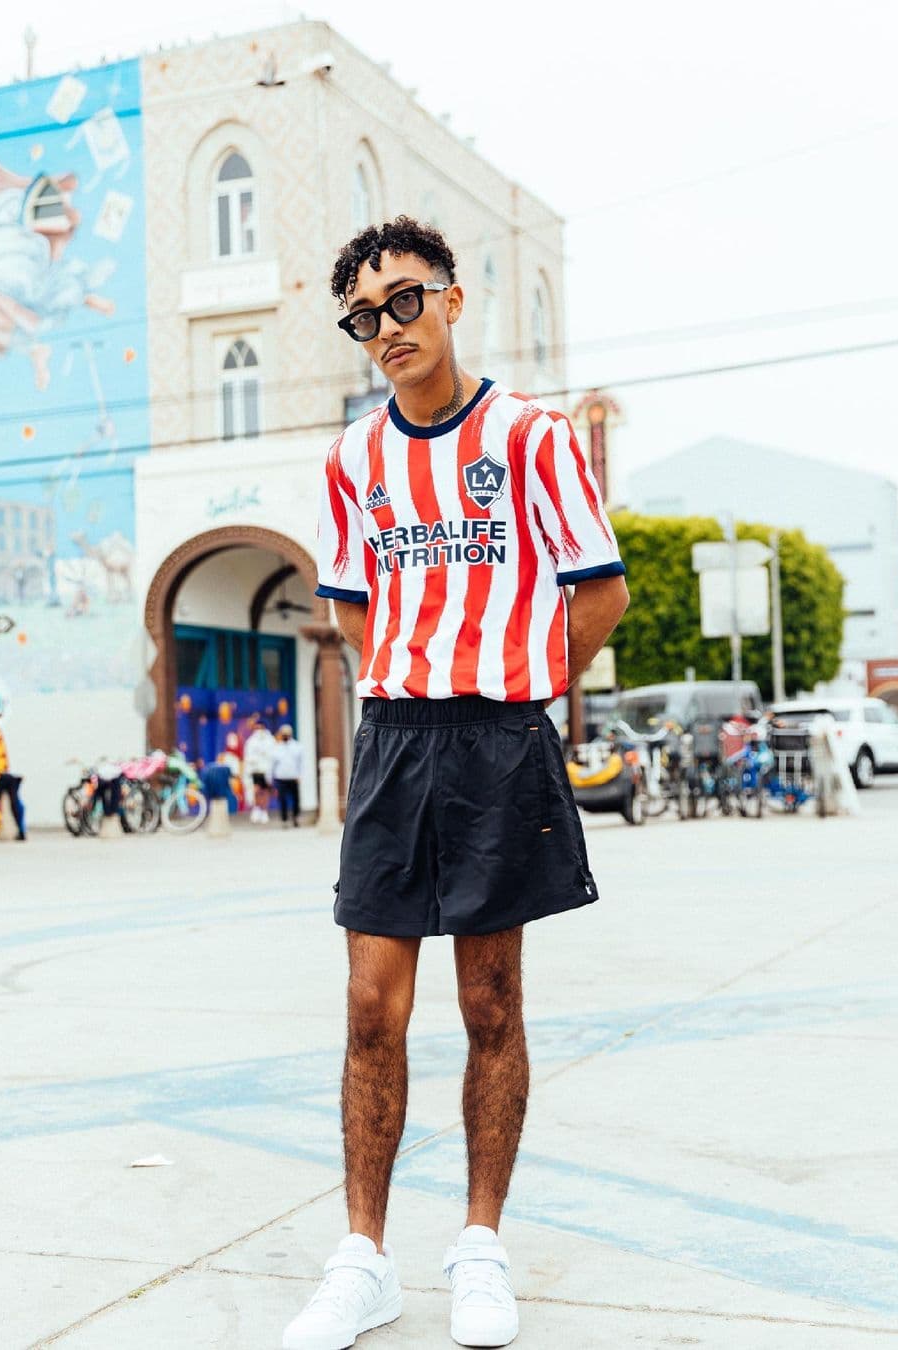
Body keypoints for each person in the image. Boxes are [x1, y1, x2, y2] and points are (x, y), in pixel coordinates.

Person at [282, 217, 629, 1350]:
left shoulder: (531, 439)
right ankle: (364, 1260)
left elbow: (598, 593)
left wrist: (514, 683)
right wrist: (414, 670)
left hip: (500, 738)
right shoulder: (353, 459)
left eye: (404, 301)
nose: (387, 328)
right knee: (371, 1006)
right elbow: (349, 602)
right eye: (363, 316)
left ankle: (480, 1247)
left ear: (452, 299)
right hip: (395, 740)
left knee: (491, 1003)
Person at [243, 718, 278, 824]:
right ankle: (257, 809)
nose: (258, 730)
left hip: (266, 770)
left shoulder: (270, 740)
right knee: (256, 791)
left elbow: (273, 755)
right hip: (255, 770)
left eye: (260, 728)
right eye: (256, 728)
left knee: (265, 792)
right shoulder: (251, 741)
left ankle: (264, 811)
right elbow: (247, 756)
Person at [271, 724, 303, 827]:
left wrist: (300, 775)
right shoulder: (277, 747)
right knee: (282, 799)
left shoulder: (297, 747)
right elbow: (273, 764)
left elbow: (301, 763)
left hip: (293, 777)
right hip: (281, 777)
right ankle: (284, 819)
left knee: (295, 799)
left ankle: (295, 817)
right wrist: (271, 776)